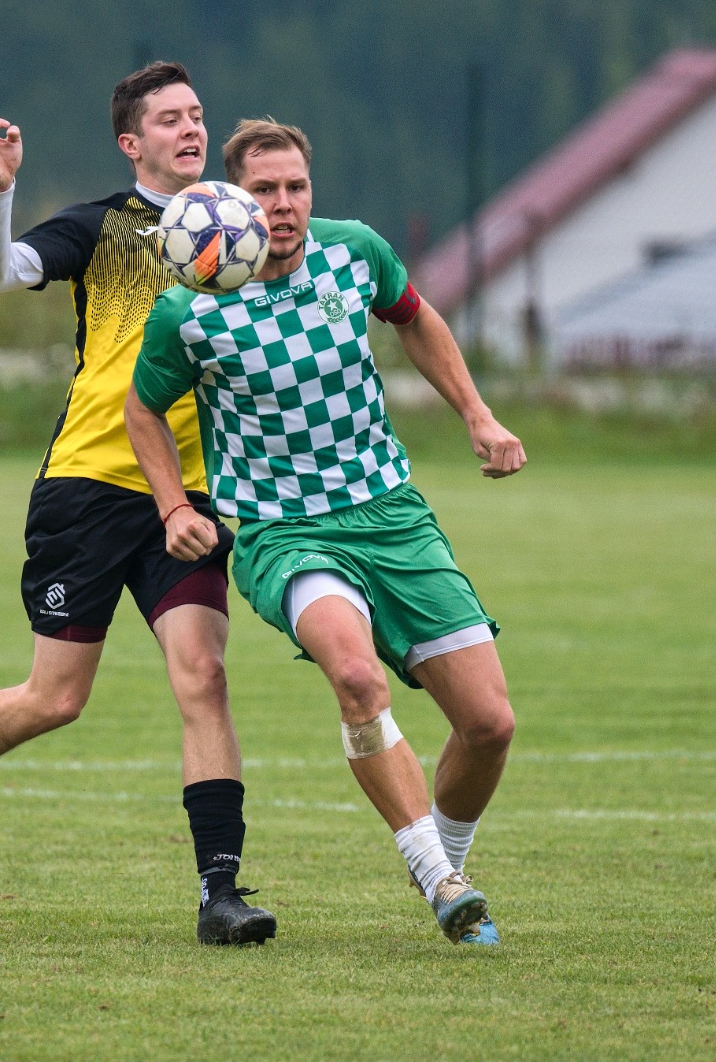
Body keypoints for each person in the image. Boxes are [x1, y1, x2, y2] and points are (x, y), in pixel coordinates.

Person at [0, 63, 275, 946]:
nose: (190, 129)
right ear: (132, 142)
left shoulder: (241, 231)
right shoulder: (100, 226)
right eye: (170, 119)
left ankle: (221, 892)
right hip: (88, 487)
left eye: (197, 115)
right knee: (55, 698)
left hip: (189, 494)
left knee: (203, 675)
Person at [126, 119, 524, 945]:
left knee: (489, 725)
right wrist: (174, 508)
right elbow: (142, 410)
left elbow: (415, 318)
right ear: (234, 199)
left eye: (296, 187)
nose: (283, 204)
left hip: (391, 516)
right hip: (283, 532)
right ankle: (437, 876)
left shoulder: (356, 253)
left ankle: (445, 865)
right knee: (354, 674)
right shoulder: (188, 309)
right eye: (265, 190)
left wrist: (478, 417)